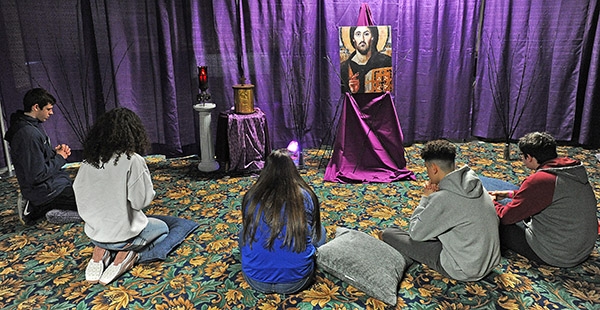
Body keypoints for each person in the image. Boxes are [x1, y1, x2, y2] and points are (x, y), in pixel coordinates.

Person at [73, 107, 169, 285]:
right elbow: (141, 202)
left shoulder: (88, 162)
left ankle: (100, 253)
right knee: (163, 230)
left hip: (95, 234)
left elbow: (80, 196)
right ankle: (127, 255)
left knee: (112, 230)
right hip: (124, 236)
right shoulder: (133, 160)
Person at [382, 139, 501, 281]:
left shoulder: (443, 199)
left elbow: (416, 233)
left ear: (434, 168)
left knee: (389, 233)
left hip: (464, 269)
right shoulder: (476, 184)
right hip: (490, 262)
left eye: (427, 169)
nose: (427, 174)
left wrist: (426, 198)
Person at [489, 132, 597, 267]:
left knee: (493, 219)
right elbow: (549, 196)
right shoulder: (571, 169)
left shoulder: (541, 180)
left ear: (529, 157)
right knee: (509, 204)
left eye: (522, 156)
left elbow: (506, 217)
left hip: (557, 254)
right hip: (582, 249)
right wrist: (509, 194)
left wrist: (491, 202)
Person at [240, 149, 326, 294]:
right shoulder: (305, 195)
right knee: (321, 230)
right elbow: (315, 231)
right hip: (297, 281)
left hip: (256, 279)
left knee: (243, 231)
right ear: (292, 170)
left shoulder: (252, 196)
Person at [4, 88, 80, 225]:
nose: (51, 113)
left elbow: (37, 158)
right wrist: (60, 158)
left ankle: (48, 208)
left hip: (51, 185)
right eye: (48, 109)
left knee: (89, 194)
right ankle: (40, 209)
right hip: (45, 192)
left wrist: (54, 153)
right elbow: (36, 175)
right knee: (94, 204)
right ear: (36, 107)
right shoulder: (28, 134)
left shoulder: (32, 126)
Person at [341, 25, 392, 94]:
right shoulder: (344, 67)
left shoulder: (386, 62)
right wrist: (353, 91)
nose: (362, 39)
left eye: (366, 34)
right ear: (353, 38)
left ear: (372, 37)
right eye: (358, 34)